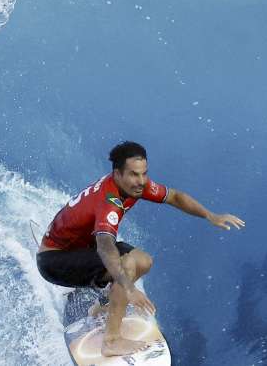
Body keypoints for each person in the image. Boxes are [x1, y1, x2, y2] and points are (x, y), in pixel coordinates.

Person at [36, 141, 245, 357]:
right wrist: (128, 288)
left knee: (143, 261)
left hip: (82, 246)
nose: (141, 181)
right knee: (127, 266)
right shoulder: (109, 202)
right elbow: (105, 248)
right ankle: (111, 341)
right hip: (54, 260)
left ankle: (104, 303)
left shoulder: (134, 186)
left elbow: (175, 197)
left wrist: (210, 215)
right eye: (134, 175)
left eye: (144, 173)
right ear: (117, 174)